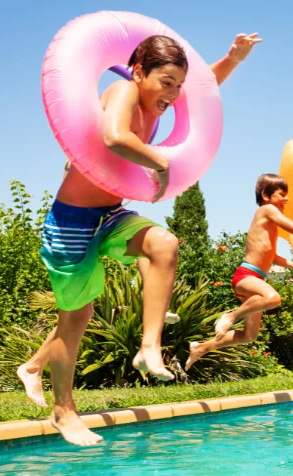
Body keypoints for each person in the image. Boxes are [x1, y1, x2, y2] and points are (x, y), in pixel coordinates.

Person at [17, 32, 262, 446]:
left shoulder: (158, 101)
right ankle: (63, 409)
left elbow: (203, 93)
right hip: (72, 221)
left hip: (110, 214)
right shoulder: (123, 91)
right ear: (139, 72)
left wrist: (232, 59)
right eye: (166, 82)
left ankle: (149, 346)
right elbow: (114, 136)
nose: (173, 93)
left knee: (164, 243)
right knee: (77, 318)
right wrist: (158, 161)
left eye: (178, 86)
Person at [183, 173, 293, 370]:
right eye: (282, 194)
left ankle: (201, 348)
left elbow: (273, 257)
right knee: (274, 298)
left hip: (255, 278)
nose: (286, 199)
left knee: (249, 336)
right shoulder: (267, 210)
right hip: (246, 276)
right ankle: (231, 316)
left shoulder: (270, 222)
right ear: (266, 195)